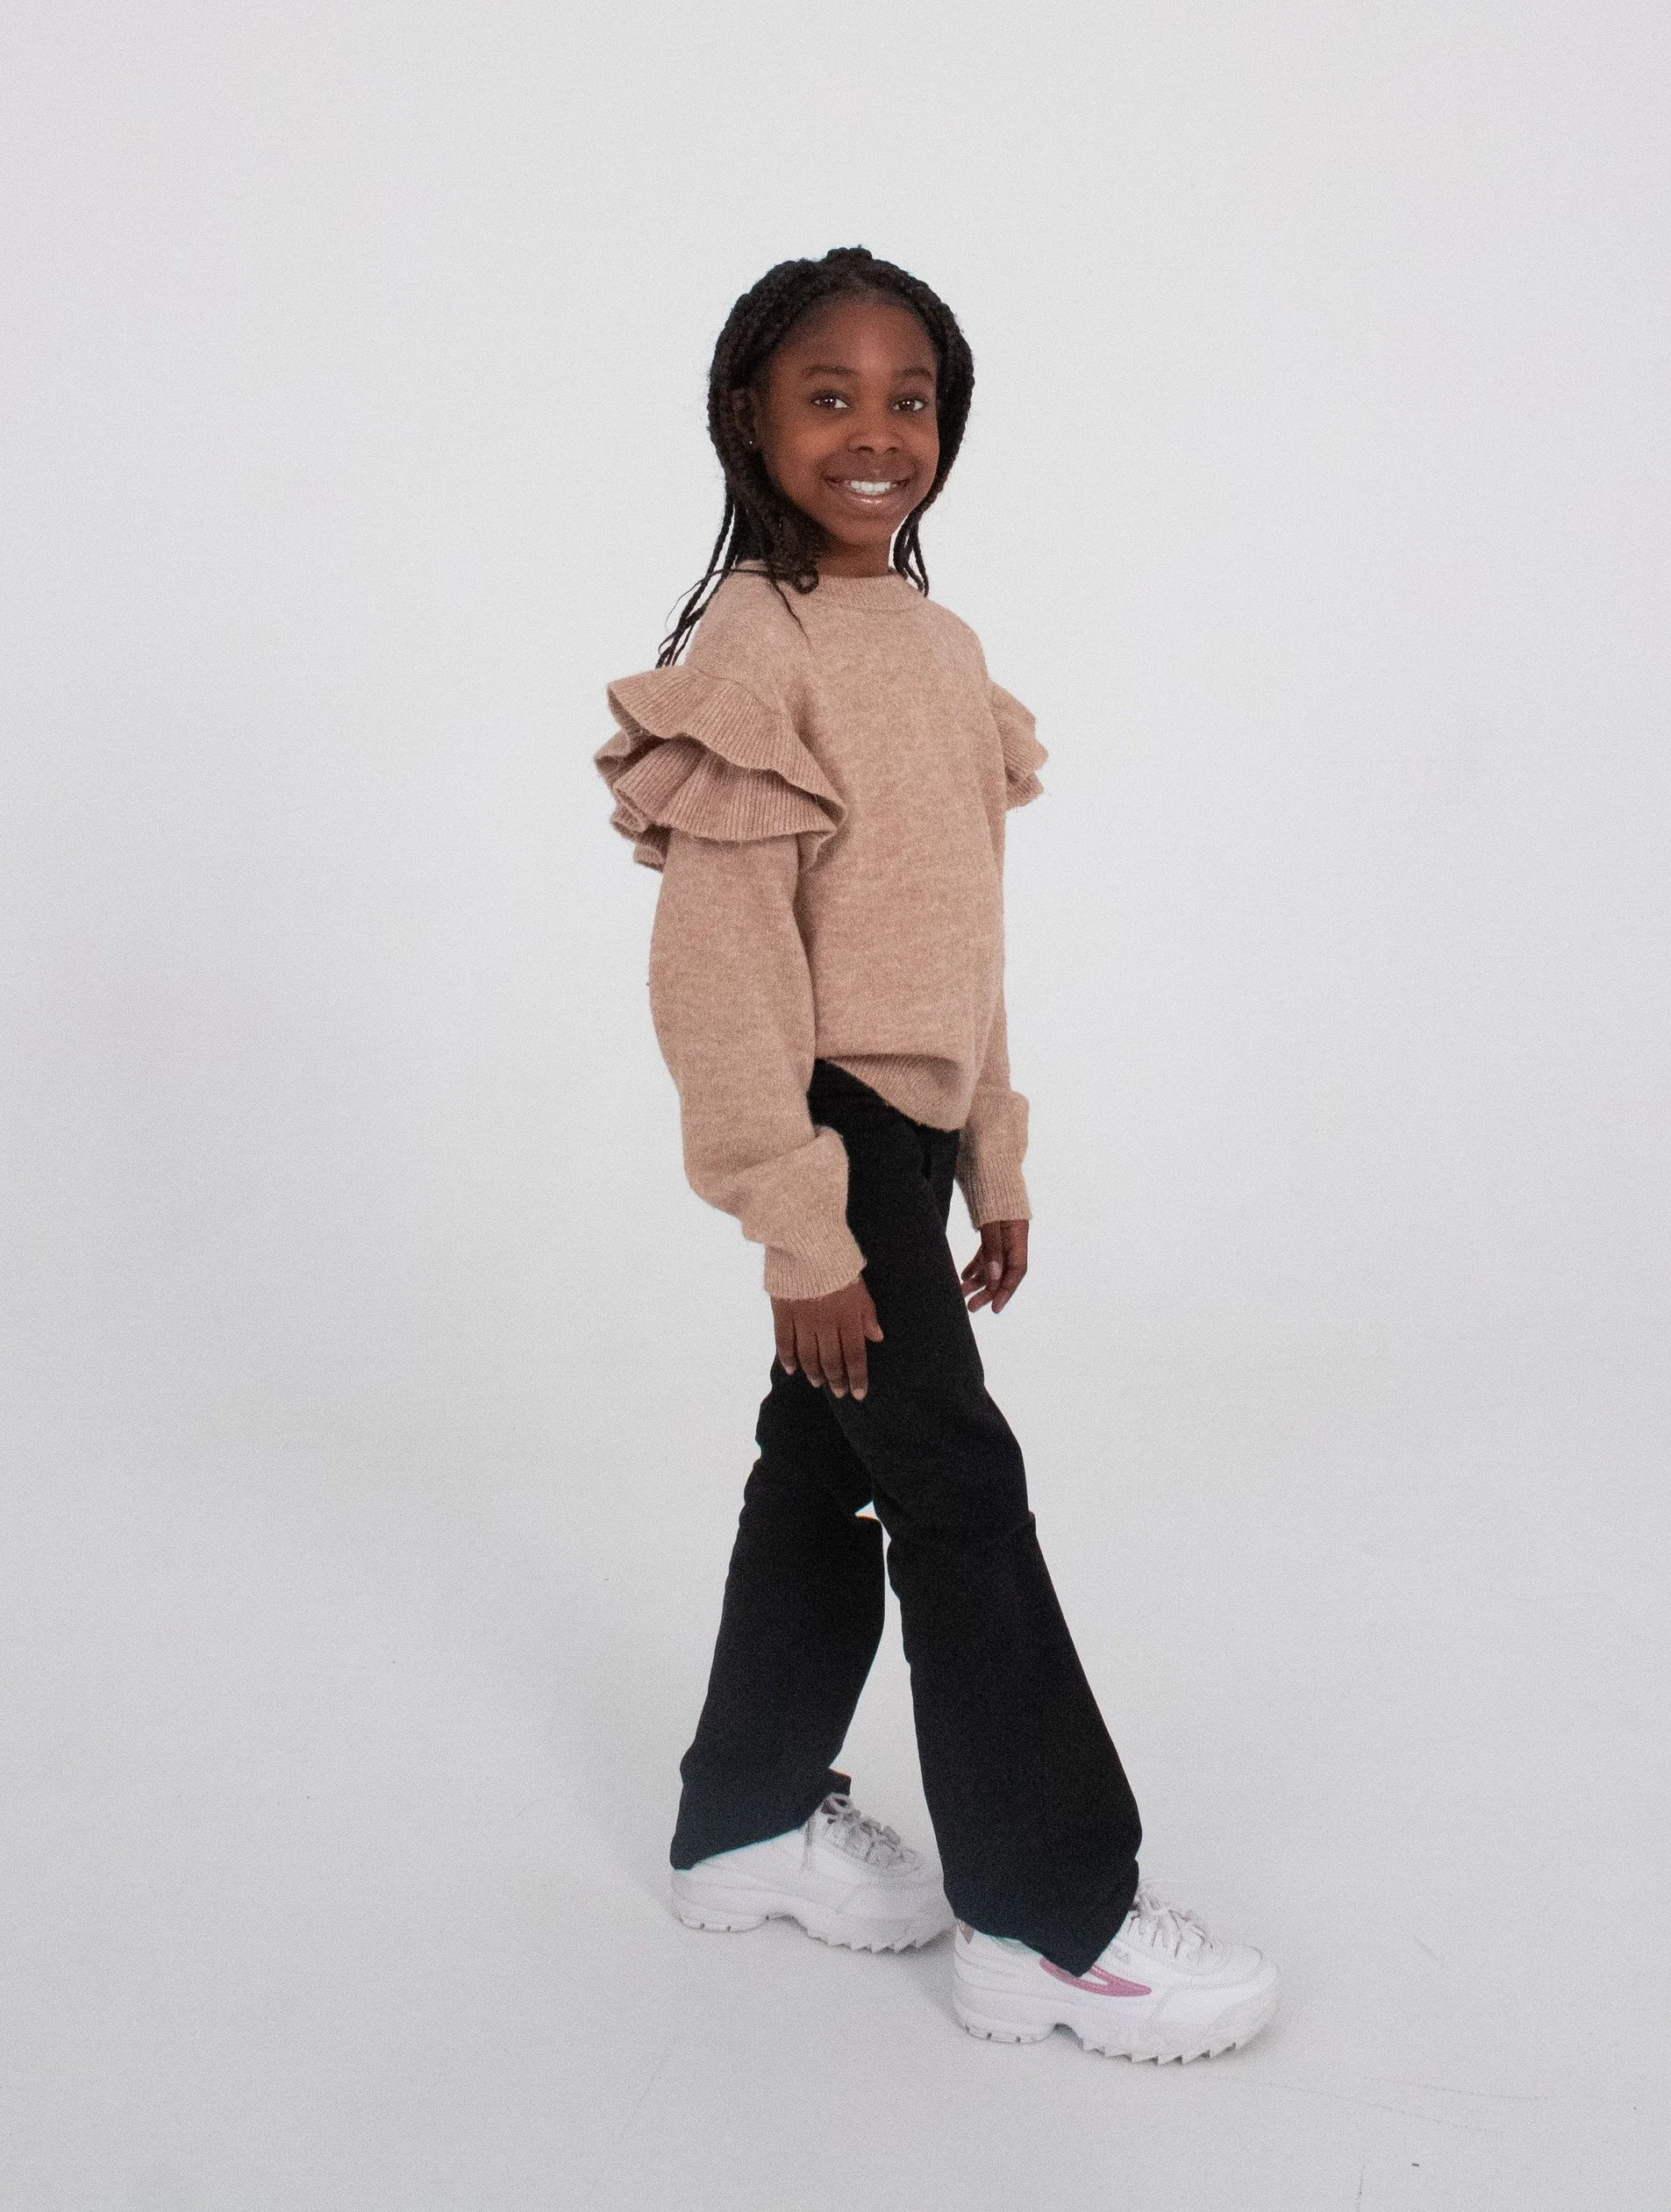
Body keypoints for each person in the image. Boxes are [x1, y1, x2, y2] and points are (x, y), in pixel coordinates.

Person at [594, 246, 1278, 2063]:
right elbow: (724, 973)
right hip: (824, 1145)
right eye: (830, 396)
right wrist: (797, 1224)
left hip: (901, 1138)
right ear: (749, 414)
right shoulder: (750, 654)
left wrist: (995, 1154)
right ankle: (1051, 1920)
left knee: (823, 1473)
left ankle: (741, 1823)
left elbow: (954, 940)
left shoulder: (940, 649)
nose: (875, 433)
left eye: (912, 400)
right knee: (957, 1495)